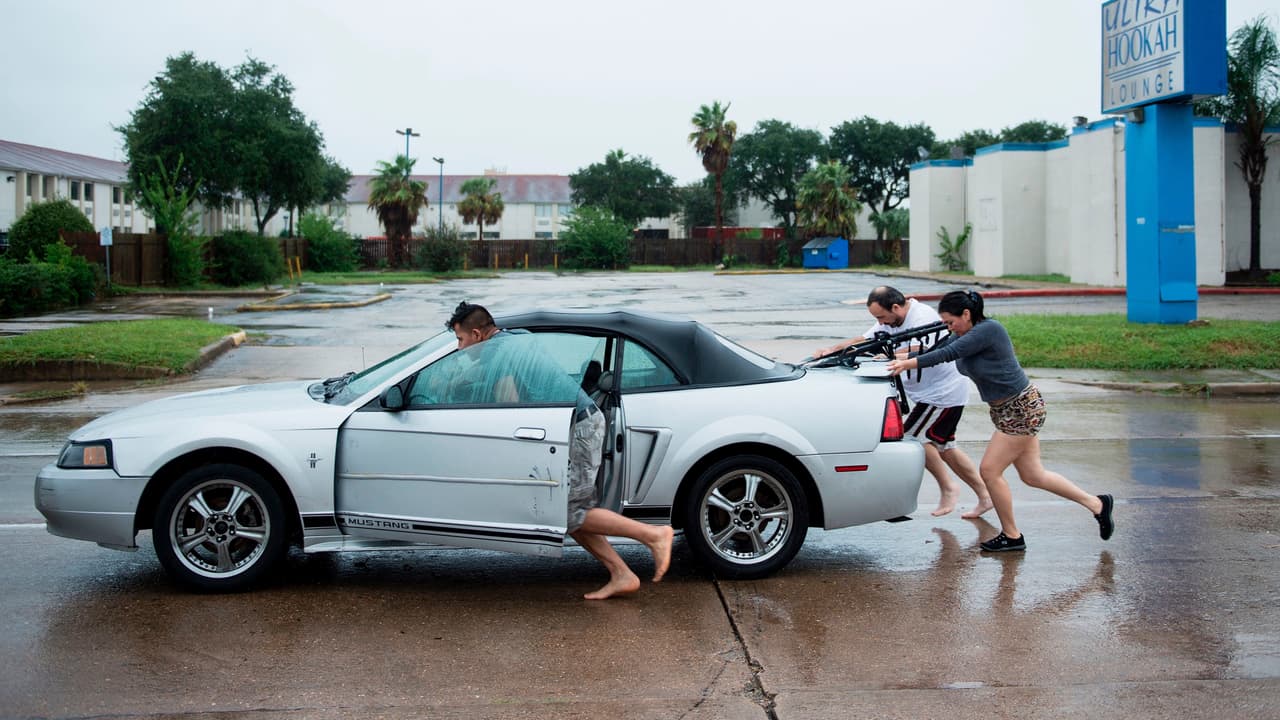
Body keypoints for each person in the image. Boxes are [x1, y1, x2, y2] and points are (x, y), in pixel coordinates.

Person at [448, 302, 674, 598]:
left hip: (580, 427)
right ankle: (621, 573)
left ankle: (654, 535)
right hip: (572, 425)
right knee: (569, 513)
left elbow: (508, 402)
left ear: (477, 334)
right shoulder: (510, 340)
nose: (459, 348)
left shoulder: (499, 352)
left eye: (460, 339)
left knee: (569, 513)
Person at [885, 290, 1114, 552]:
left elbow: (948, 354)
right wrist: (896, 358)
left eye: (950, 322)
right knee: (1033, 475)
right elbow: (937, 349)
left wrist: (908, 364)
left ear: (967, 314)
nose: (948, 327)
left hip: (1021, 409)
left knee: (990, 471)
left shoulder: (988, 330)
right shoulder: (961, 333)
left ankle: (1012, 536)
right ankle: (1097, 504)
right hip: (1007, 410)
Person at [816, 286, 993, 518]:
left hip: (942, 393)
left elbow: (926, 349)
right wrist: (832, 349)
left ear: (896, 307)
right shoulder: (890, 321)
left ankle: (949, 488)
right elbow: (866, 339)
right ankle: (985, 495)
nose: (881, 322)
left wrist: (892, 355)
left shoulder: (924, 316)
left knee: (915, 439)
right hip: (929, 394)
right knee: (946, 447)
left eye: (881, 317)